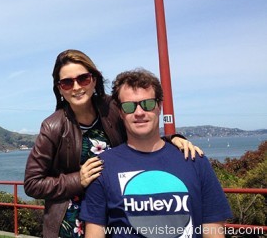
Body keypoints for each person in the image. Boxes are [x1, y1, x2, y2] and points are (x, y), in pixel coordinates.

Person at [24, 50, 203, 238]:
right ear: (60, 89)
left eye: (83, 78)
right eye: (67, 82)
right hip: (72, 223)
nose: (76, 87)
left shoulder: (113, 109)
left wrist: (171, 139)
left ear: (94, 80)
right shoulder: (53, 126)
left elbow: (140, 128)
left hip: (116, 214)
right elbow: (32, 183)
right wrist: (78, 179)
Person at [80, 68, 232, 238]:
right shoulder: (103, 167)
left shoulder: (194, 160)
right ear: (121, 113)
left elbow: (213, 229)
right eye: (129, 106)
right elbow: (95, 232)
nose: (139, 112)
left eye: (148, 104)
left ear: (159, 106)